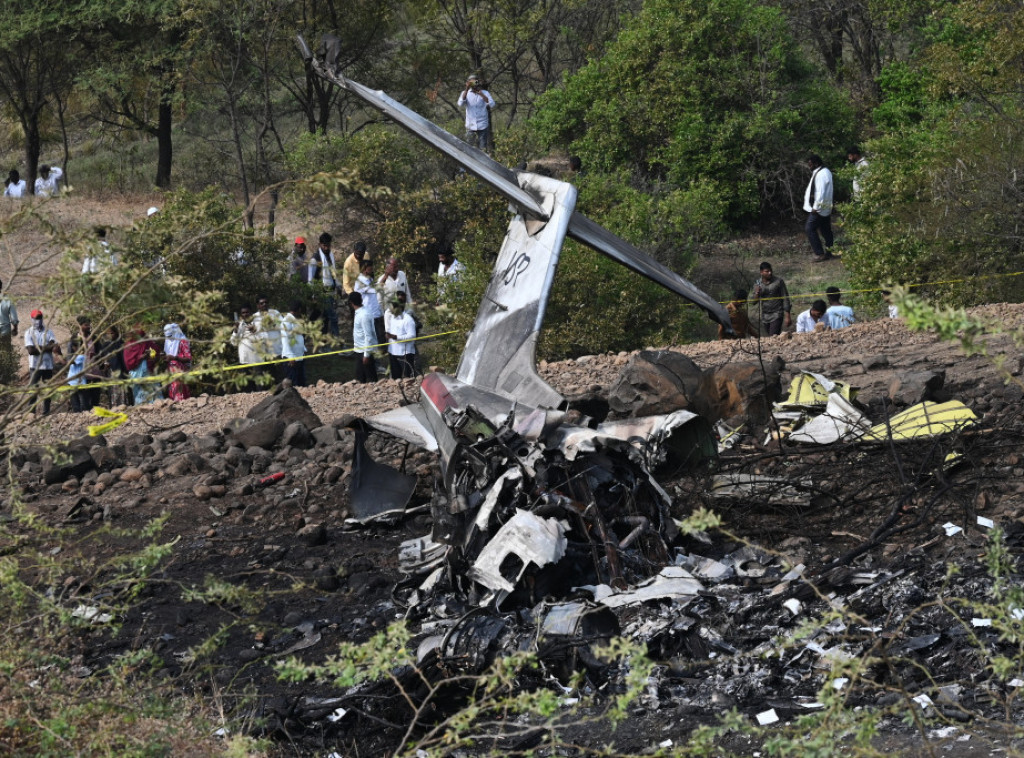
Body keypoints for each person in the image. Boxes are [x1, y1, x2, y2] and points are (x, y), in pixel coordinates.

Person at [24, 309, 61, 414]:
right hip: (34, 366)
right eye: (36, 318)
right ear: (32, 319)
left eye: (39, 318)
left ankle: (46, 413)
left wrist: (38, 348)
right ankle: (31, 413)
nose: (38, 321)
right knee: (33, 391)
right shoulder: (28, 333)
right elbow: (31, 351)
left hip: (48, 365)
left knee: (47, 391)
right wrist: (47, 347)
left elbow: (53, 346)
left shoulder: (48, 331)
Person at [804, 154, 835, 262]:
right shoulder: (823, 171)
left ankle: (819, 253)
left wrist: (815, 207)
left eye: (810, 164)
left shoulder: (822, 174)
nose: (809, 166)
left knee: (809, 228)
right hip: (825, 206)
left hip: (819, 208)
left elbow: (820, 192)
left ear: (816, 163)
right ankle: (829, 252)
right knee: (825, 229)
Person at [308, 233, 340, 337]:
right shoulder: (315, 259)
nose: (326, 248)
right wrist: (313, 295)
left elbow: (333, 272)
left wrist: (338, 286)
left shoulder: (330, 255)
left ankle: (321, 338)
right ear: (320, 244)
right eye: (324, 245)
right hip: (321, 292)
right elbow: (310, 279)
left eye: (328, 245)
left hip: (330, 289)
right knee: (333, 317)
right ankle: (338, 340)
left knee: (324, 316)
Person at [67, 316, 100, 413]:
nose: (88, 327)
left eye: (89, 324)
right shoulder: (74, 339)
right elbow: (69, 357)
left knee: (94, 402)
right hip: (79, 376)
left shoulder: (94, 337)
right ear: (80, 326)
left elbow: (100, 353)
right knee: (81, 404)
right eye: (86, 325)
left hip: (94, 373)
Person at [457, 74, 496, 151]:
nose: (474, 84)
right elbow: (460, 103)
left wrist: (482, 95)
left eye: (475, 81)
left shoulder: (485, 93)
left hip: (482, 124)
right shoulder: (465, 93)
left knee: (483, 148)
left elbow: (492, 104)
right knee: (468, 147)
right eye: (471, 82)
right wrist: (466, 89)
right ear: (468, 83)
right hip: (470, 125)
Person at [123, 326, 161, 405]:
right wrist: (141, 357)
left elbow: (157, 354)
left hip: (149, 372)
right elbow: (128, 361)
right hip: (136, 374)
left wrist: (151, 356)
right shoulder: (129, 345)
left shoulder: (148, 343)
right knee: (140, 396)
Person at [751, 262, 791, 336]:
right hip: (765, 315)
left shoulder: (778, 281)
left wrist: (787, 316)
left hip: (777, 313)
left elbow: (785, 297)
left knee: (773, 335)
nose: (770, 273)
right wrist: (757, 292)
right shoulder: (758, 284)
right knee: (771, 336)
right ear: (761, 272)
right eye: (767, 271)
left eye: (770, 271)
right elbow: (753, 302)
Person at [97, 326, 131, 407]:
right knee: (112, 392)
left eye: (112, 333)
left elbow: (123, 360)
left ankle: (123, 406)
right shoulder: (105, 346)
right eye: (108, 334)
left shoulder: (121, 344)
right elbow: (101, 358)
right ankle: (114, 407)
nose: (110, 335)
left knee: (122, 392)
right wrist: (104, 365)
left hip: (120, 371)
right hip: (109, 373)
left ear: (116, 333)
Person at [355, 258, 386, 348]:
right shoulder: (360, 281)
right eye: (370, 267)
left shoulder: (369, 279)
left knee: (378, 334)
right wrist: (385, 276)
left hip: (374, 312)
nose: (372, 269)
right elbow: (373, 290)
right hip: (367, 313)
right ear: (364, 269)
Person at [385, 294, 418, 379]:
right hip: (393, 352)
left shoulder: (408, 319)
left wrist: (396, 337)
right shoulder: (392, 318)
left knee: (408, 378)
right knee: (396, 378)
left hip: (405, 353)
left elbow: (412, 336)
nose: (390, 310)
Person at [348, 291, 377, 383]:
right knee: (360, 378)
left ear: (351, 303)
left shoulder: (364, 315)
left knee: (371, 378)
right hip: (359, 350)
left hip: (364, 351)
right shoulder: (359, 312)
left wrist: (366, 355)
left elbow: (368, 336)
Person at [280, 301, 307, 387]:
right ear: (299, 309)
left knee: (301, 384)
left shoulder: (295, 320)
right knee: (293, 386)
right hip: (291, 359)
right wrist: (290, 356)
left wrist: (304, 349)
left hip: (299, 357)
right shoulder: (287, 321)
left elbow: (298, 337)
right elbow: (285, 339)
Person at [163, 323, 192, 401]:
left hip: (181, 370)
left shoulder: (183, 341)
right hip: (171, 371)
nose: (169, 338)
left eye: (170, 335)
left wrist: (175, 358)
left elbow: (188, 358)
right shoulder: (168, 341)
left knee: (180, 393)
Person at [253, 296, 282, 364]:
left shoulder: (275, 313)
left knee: (278, 372)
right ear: (258, 305)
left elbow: (283, 327)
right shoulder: (254, 317)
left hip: (276, 350)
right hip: (263, 352)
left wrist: (273, 324)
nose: (264, 304)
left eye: (266, 302)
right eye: (262, 303)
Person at [0, 278, 19, 356]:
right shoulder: (8, 299)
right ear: (1, 286)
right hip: (5, 331)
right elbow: (14, 318)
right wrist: (15, 328)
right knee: (6, 353)